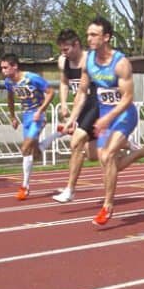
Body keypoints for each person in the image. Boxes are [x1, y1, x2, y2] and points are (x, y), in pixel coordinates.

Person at [65, 16, 144, 225]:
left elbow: (128, 97)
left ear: (106, 37)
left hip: (124, 115)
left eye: (94, 35)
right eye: (88, 35)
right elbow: (82, 93)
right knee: (101, 159)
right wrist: (73, 119)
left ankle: (107, 206)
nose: (89, 39)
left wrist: (108, 117)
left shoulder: (121, 63)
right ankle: (143, 151)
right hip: (105, 117)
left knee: (109, 156)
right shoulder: (88, 62)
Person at [50, 29, 100, 203]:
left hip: (96, 105)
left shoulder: (90, 60)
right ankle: (136, 149)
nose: (64, 53)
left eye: (66, 49)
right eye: (62, 50)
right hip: (81, 108)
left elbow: (85, 91)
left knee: (76, 143)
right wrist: (64, 104)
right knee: (93, 155)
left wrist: (72, 117)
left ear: (76, 45)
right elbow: (64, 83)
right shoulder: (63, 61)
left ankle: (70, 190)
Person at [0, 53, 55, 200]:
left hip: (38, 116)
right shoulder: (9, 82)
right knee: (34, 153)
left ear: (15, 66)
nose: (3, 71)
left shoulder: (31, 78)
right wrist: (12, 116)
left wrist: (41, 110)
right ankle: (58, 134)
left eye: (6, 68)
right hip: (26, 117)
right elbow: (10, 98)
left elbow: (50, 92)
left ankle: (24, 186)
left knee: (25, 149)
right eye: (2, 68)